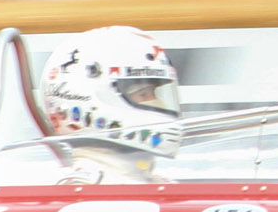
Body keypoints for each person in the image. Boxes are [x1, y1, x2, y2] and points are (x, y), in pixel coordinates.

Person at [30, 25, 183, 183]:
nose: (161, 104)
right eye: (143, 94)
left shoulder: (160, 184)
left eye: (155, 94)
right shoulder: (82, 190)